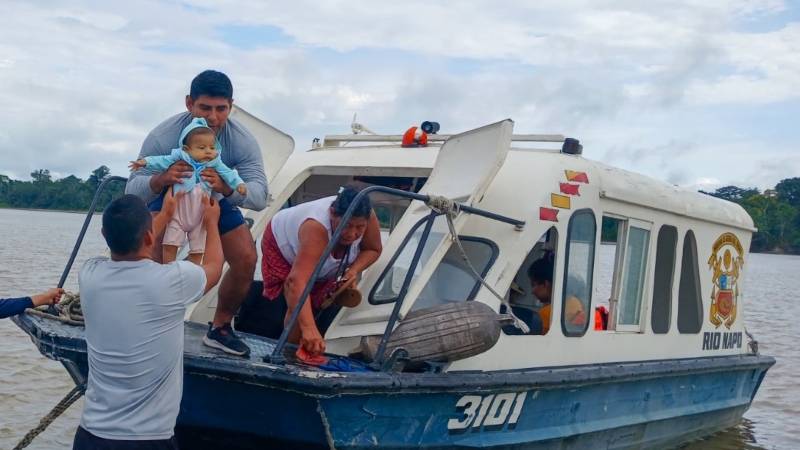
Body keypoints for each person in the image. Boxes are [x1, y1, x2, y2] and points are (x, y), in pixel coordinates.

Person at [125, 70, 266, 357]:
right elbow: (132, 190)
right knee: (151, 258)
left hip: (213, 198)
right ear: (189, 103)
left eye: (221, 109)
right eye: (205, 108)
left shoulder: (242, 141)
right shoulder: (163, 136)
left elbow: (260, 196)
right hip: (170, 196)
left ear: (231, 106)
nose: (213, 117)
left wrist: (227, 188)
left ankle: (221, 329)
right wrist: (161, 179)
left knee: (247, 257)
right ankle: (147, 321)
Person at [74, 189, 223, 450]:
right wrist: (211, 221)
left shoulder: (89, 274)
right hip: (147, 440)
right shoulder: (174, 281)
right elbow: (214, 265)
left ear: (104, 236)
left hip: (91, 435)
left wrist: (164, 214)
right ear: (149, 236)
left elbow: (127, 244)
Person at [241, 186, 381, 357]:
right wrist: (309, 329)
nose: (352, 234)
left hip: (317, 255)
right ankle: (288, 354)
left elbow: (373, 249)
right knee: (298, 299)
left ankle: (298, 347)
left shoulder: (368, 215)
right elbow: (297, 282)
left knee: (309, 300)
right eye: (346, 225)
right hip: (281, 243)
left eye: (360, 227)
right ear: (332, 213)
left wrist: (353, 271)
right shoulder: (316, 227)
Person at [130, 117, 246, 265]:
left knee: (198, 247)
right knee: (170, 243)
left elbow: (229, 173)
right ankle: (168, 267)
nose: (208, 151)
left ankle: (194, 270)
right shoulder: (180, 157)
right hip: (178, 211)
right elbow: (161, 160)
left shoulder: (215, 162)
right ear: (187, 149)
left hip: (200, 213)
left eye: (212, 147)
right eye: (202, 148)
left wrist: (239, 184)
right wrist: (144, 162)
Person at [527, 255, 586, 335]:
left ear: (546, 284)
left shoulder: (546, 313)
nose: (532, 291)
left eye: (533, 285)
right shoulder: (575, 301)